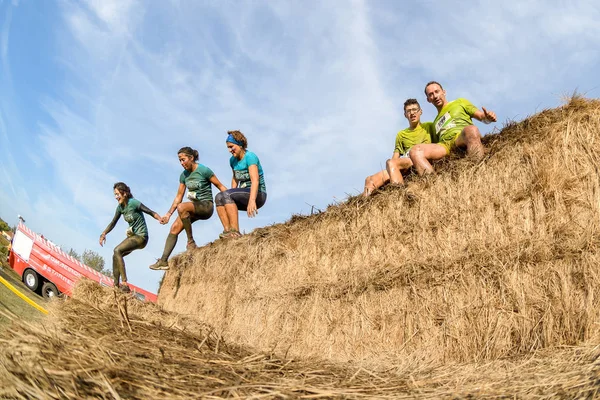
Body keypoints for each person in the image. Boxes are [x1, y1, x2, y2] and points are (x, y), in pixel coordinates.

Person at [149, 147, 227, 271]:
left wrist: (231, 201)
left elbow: (220, 185)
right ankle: (163, 261)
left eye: (183, 160)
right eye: (179, 160)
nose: (181, 163)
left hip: (206, 206)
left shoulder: (204, 170)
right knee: (174, 228)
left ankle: (190, 242)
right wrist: (168, 214)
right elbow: (178, 197)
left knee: (182, 207)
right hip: (191, 209)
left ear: (191, 158)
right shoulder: (183, 176)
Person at [409, 81, 497, 175]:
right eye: (431, 94)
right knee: (415, 151)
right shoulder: (434, 123)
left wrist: (487, 118)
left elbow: (481, 117)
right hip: (444, 146)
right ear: (428, 99)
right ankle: (432, 183)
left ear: (444, 92)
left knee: (471, 129)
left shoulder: (460, 102)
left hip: (460, 136)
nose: (435, 96)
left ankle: (478, 171)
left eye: (437, 91)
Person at [100, 182, 163, 292]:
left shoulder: (133, 203)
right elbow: (113, 222)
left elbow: (148, 211)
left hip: (141, 237)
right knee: (116, 255)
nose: (116, 197)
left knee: (117, 250)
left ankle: (124, 283)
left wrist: (159, 218)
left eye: (117, 194)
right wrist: (104, 233)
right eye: (114, 195)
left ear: (124, 193)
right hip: (133, 237)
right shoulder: (120, 208)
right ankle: (115, 286)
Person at [363, 99, 434, 196]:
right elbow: (395, 157)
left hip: (420, 158)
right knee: (369, 179)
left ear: (420, 111)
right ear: (405, 115)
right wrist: (391, 170)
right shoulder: (401, 134)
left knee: (392, 163)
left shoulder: (429, 126)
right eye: (408, 111)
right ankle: (363, 206)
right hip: (405, 163)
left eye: (415, 110)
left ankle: (398, 195)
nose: (412, 113)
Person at [215, 130, 267, 238]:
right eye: (228, 148)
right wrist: (229, 193)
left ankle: (235, 231)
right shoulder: (232, 161)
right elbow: (235, 178)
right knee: (219, 197)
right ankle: (227, 231)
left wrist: (252, 200)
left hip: (258, 194)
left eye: (231, 147)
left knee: (226, 195)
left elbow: (255, 180)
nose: (230, 150)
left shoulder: (250, 157)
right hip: (244, 193)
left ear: (240, 144)